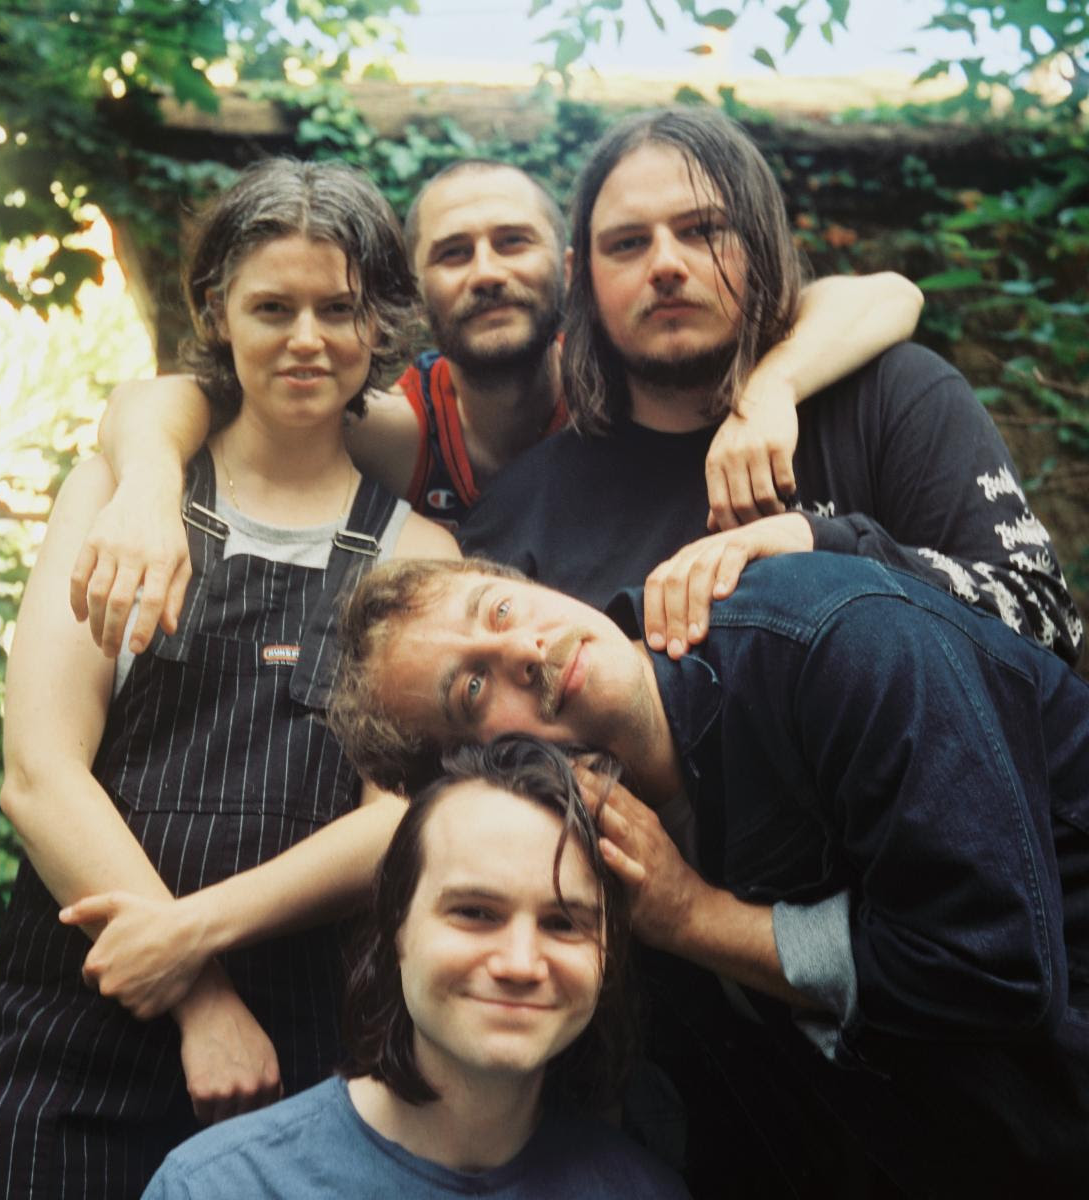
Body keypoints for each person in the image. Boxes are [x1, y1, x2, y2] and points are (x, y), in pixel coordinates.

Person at [0, 159, 458, 1200]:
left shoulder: (417, 553)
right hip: (60, 1040)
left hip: (289, 1061)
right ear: (215, 310)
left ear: (380, 321)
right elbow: (39, 775)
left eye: (338, 309)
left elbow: (395, 820)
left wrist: (192, 937)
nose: (307, 339)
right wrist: (198, 997)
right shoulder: (118, 494)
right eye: (272, 307)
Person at [326, 555, 1089, 1198]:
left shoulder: (837, 639)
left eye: (499, 609)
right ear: (475, 775)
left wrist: (696, 919)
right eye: (471, 690)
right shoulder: (576, 861)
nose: (525, 648)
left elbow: (999, 966)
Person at [69, 154, 923, 658]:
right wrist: (147, 487)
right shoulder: (401, 431)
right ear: (413, 294)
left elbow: (888, 295)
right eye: (453, 253)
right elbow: (179, 397)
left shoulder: (630, 392)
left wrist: (769, 392)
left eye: (513, 242)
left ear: (569, 268)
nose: (486, 271)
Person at [458, 106, 1083, 665]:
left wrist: (825, 549)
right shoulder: (520, 516)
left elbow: (1049, 626)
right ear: (581, 277)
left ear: (761, 242)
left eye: (703, 230)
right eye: (628, 243)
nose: (666, 264)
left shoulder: (892, 401)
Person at [140, 736, 688, 1199]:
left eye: (564, 923)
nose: (521, 963)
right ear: (395, 927)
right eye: (475, 913)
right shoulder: (221, 1186)